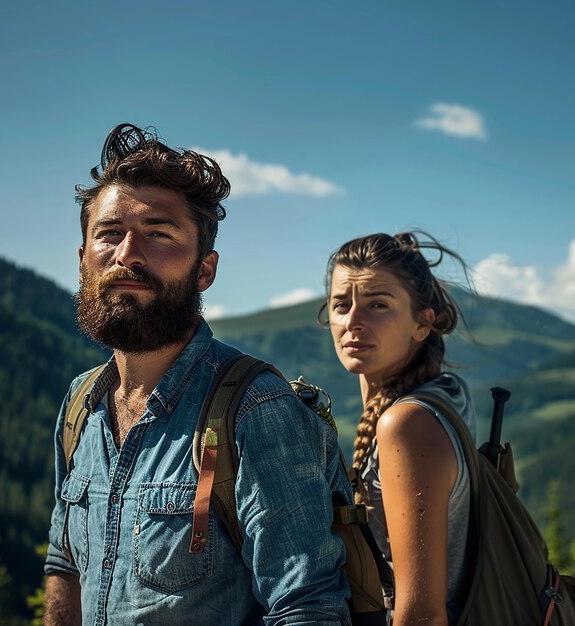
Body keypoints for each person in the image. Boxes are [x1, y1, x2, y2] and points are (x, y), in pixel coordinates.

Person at [43, 123, 353, 626]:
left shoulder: (256, 409)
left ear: (204, 270)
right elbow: (65, 563)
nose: (127, 255)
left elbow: (307, 608)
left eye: (159, 234)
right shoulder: (81, 405)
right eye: (108, 234)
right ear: (83, 261)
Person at [321, 232, 477, 626]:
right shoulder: (444, 395)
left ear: (423, 324)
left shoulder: (408, 424)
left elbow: (422, 612)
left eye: (377, 305)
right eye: (341, 304)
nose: (352, 322)